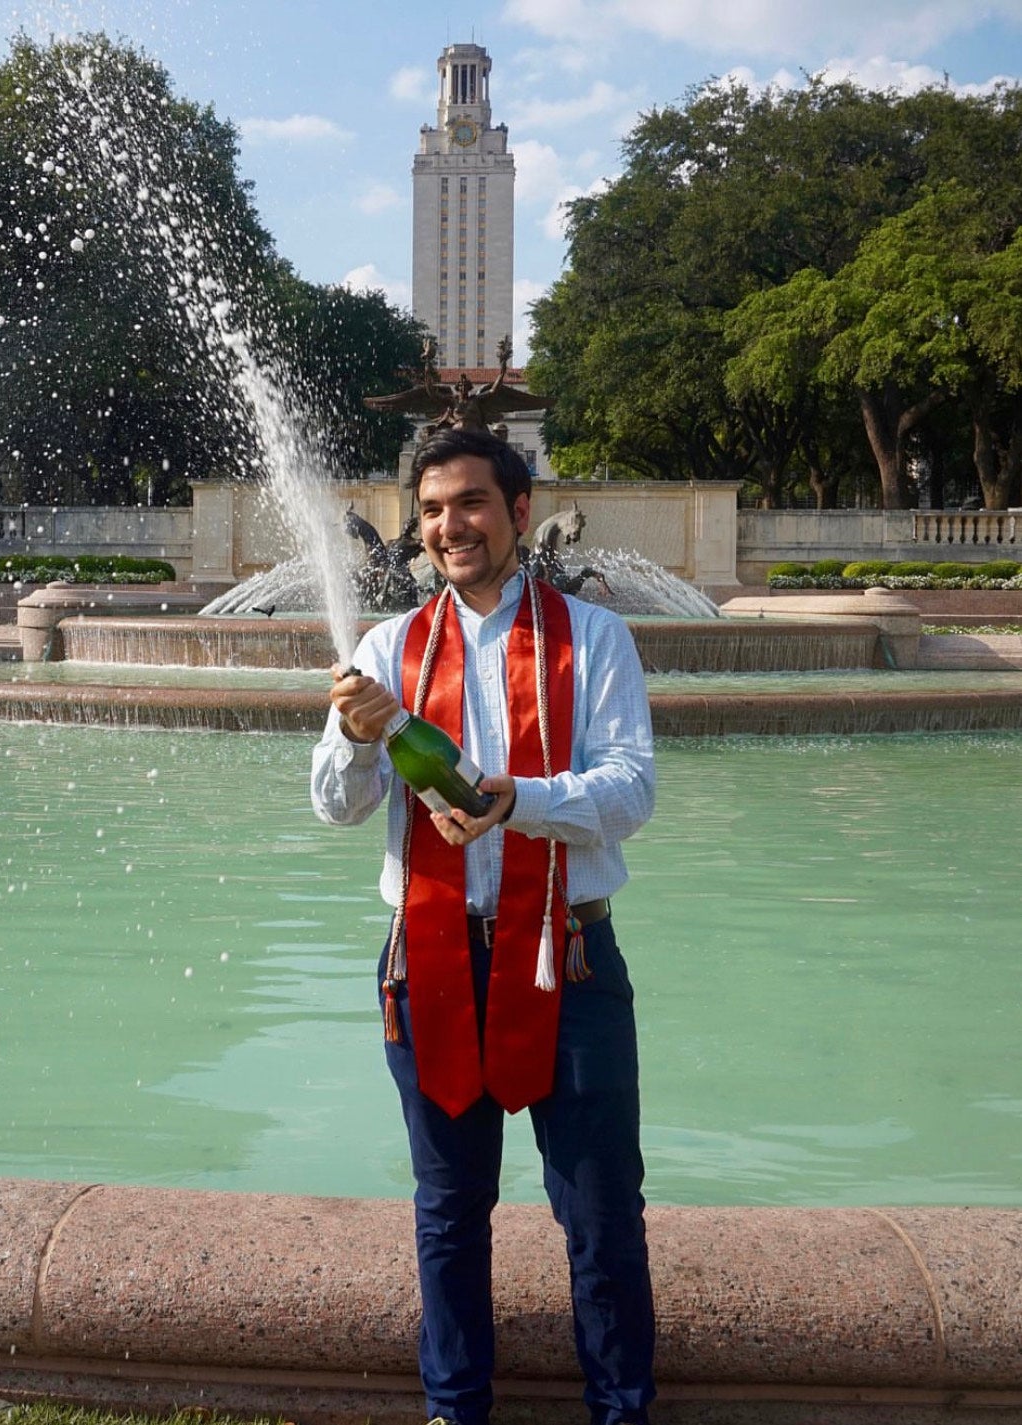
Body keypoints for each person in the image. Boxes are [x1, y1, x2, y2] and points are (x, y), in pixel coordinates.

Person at [310, 427, 656, 1425]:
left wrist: (519, 801)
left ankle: (621, 1413)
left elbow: (630, 791)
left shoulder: (592, 638)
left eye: (468, 503)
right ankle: (452, 1412)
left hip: (569, 956)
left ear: (518, 512)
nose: (448, 526)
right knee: (450, 1216)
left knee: (601, 1221)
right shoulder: (388, 652)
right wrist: (353, 731)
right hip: (429, 957)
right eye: (429, 510)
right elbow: (335, 806)